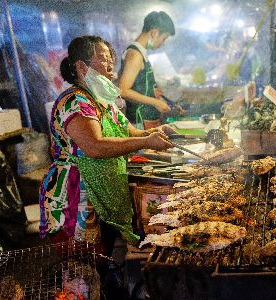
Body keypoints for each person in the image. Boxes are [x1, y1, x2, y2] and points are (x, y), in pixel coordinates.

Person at [39, 36, 175, 255]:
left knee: (105, 259)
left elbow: (132, 133)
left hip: (104, 192)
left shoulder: (103, 101)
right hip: (77, 197)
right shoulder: (76, 101)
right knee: (82, 269)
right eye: (103, 58)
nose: (111, 63)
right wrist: (145, 141)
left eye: (111, 57)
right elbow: (95, 146)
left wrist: (156, 133)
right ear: (81, 66)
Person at [118, 11, 175, 129]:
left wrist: (151, 91)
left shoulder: (141, 53)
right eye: (164, 38)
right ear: (154, 33)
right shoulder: (135, 55)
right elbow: (123, 90)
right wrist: (155, 102)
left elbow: (136, 85)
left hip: (146, 121)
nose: (162, 43)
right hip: (139, 123)